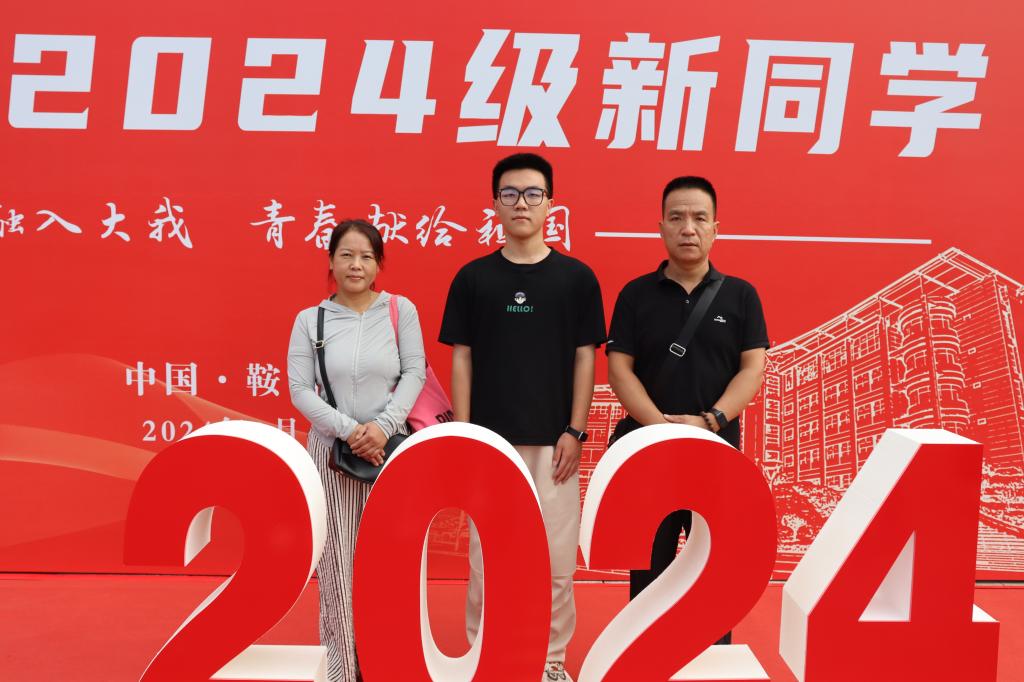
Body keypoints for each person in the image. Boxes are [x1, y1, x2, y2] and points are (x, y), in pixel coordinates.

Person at [439, 153, 606, 682]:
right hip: (490, 443)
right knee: (485, 558)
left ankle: (551, 660)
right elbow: (462, 357)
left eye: (533, 194)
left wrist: (575, 429)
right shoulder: (474, 278)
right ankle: (480, 654)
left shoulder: (576, 279)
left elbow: (585, 357)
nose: (521, 204)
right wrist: (467, 434)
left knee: (556, 561)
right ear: (495, 203)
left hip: (555, 443)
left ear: (550, 203)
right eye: (509, 194)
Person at [606, 176, 769, 639]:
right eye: (676, 218)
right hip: (650, 452)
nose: (688, 228)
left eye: (699, 218)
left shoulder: (741, 295)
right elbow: (620, 370)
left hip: (716, 454)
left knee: (713, 567)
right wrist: (662, 429)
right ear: (661, 227)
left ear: (716, 228)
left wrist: (710, 421)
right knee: (649, 565)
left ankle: (712, 656)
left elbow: (752, 369)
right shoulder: (635, 295)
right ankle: (642, 655)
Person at [287, 219, 426, 681]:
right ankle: (342, 671)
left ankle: (389, 666)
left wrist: (383, 428)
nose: (356, 265)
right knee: (337, 568)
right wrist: (351, 432)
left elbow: (415, 373)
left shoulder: (400, 311)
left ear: (379, 264)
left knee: (390, 567)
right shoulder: (310, 320)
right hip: (332, 457)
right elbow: (300, 390)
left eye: (366, 256)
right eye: (346, 255)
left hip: (391, 455)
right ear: (330, 261)